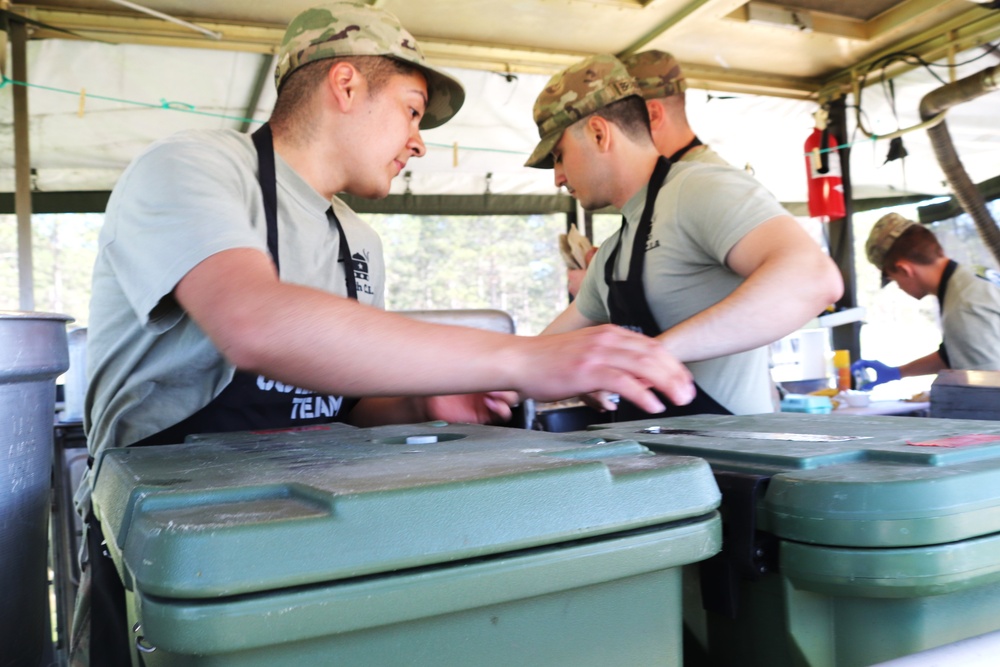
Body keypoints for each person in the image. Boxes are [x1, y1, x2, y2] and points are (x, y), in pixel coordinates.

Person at [71, 7, 695, 665]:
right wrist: (529, 356)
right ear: (345, 86)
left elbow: (343, 401)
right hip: (168, 555)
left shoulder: (358, 239)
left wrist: (422, 403)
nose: (418, 141)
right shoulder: (193, 168)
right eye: (412, 110)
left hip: (306, 540)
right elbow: (254, 322)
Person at [528, 54, 843, 417]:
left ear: (599, 134)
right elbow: (536, 357)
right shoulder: (613, 252)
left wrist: (651, 355)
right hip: (654, 465)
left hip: (732, 463)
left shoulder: (699, 188)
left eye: (559, 156)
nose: (558, 177)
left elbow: (813, 279)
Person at [564, 50, 731, 297]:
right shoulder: (664, 182)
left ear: (651, 116)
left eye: (621, 120)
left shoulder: (707, 181)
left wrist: (598, 288)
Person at [853, 212, 1000, 387]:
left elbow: (989, 388)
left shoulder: (963, 308)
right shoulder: (972, 277)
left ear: (905, 269)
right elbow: (955, 354)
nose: (899, 287)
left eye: (894, 280)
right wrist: (898, 372)